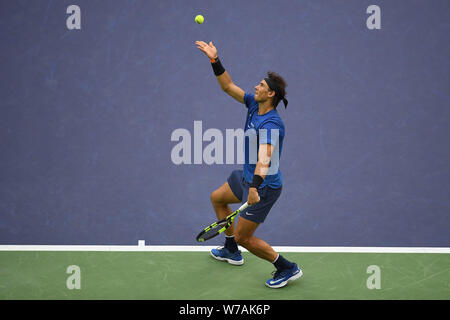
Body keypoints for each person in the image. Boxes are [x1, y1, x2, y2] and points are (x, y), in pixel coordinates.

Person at [195, 41, 302, 288]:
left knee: (246, 237)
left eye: (261, 85)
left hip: (262, 187)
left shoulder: (271, 125)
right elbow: (228, 86)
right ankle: (231, 250)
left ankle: (286, 267)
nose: (256, 86)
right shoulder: (255, 105)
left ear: (271, 94)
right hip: (245, 177)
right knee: (218, 198)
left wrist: (254, 188)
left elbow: (264, 159)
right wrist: (215, 60)